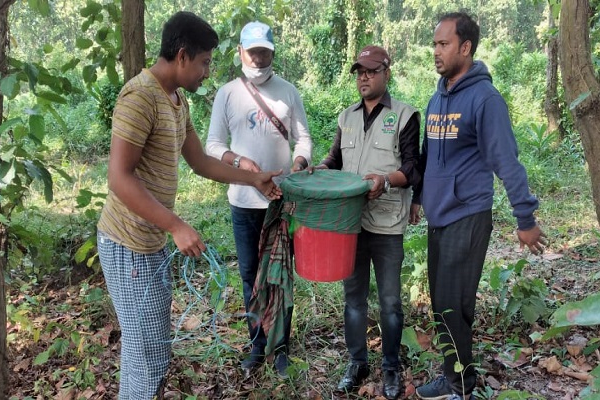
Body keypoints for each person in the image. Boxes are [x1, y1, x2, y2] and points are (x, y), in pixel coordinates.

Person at [96, 12, 282, 400]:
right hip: (126, 244)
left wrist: (253, 178)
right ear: (182, 56)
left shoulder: (176, 100)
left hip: (150, 246)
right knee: (146, 352)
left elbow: (200, 161)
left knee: (152, 349)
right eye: (204, 62)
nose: (207, 72)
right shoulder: (139, 97)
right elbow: (119, 177)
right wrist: (176, 225)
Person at [410, 12, 547, 400]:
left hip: (467, 214)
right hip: (439, 216)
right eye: (435, 44)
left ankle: (461, 386)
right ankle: (454, 376)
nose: (436, 51)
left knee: (454, 305)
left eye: (443, 44)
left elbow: (507, 160)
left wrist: (525, 217)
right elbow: (428, 155)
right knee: (441, 304)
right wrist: (419, 198)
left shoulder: (485, 100)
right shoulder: (438, 96)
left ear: (465, 47)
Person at [312, 45, 421, 400]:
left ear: (386, 72)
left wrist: (385, 181)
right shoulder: (346, 117)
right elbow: (334, 158)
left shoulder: (404, 116)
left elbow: (412, 168)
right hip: (350, 224)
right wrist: (320, 169)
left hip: (387, 224)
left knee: (390, 301)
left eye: (372, 70)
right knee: (353, 299)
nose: (364, 76)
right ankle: (357, 362)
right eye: (360, 71)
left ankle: (390, 367)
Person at [205, 21, 312, 377]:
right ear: (241, 53)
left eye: (265, 51)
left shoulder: (288, 92)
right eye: (253, 52)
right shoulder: (227, 94)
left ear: (272, 52)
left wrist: (298, 164)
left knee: (280, 275)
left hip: (281, 202)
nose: (260, 58)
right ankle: (257, 343)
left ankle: (281, 346)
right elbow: (214, 145)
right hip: (243, 202)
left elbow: (304, 139)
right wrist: (242, 163)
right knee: (251, 274)